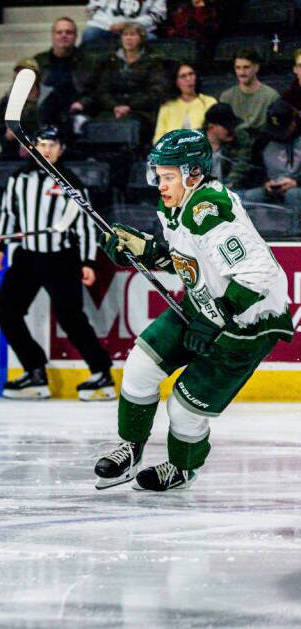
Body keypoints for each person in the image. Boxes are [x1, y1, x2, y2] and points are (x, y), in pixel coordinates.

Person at [94, 128, 292, 491]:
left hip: (247, 324)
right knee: (140, 366)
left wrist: (218, 316)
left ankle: (181, 468)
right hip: (203, 303)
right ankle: (131, 447)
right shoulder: (176, 206)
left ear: (193, 173)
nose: (160, 184)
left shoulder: (210, 210)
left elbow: (257, 271)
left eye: (168, 176)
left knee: (184, 408)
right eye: (158, 175)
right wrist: (147, 251)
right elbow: (191, 261)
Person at [0, 126, 113, 401]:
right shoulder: (18, 178)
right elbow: (8, 215)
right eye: (42, 144)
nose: (47, 150)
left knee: (71, 318)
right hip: (27, 257)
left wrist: (87, 262)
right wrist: (0, 247)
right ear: (32, 148)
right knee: (5, 311)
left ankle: (101, 373)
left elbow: (85, 225)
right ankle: (35, 371)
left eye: (52, 145)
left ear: (61, 149)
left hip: (61, 259)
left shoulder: (72, 183)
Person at [70, 22, 167, 147]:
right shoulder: (109, 60)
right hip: (111, 109)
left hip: (142, 110)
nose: (128, 38)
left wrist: (129, 106)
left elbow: (155, 91)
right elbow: (101, 89)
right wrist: (115, 106)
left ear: (141, 38)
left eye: (133, 35)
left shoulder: (153, 62)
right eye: (125, 35)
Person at [32, 17, 93, 136]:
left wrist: (83, 103)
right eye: (59, 32)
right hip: (46, 113)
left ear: (75, 36)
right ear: (53, 36)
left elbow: (97, 90)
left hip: (76, 111)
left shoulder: (88, 61)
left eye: (69, 32)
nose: (64, 35)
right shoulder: (38, 61)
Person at [241, 100, 301, 210]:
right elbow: (254, 170)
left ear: (293, 123)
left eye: (283, 130)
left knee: (293, 195)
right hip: (271, 187)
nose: (280, 135)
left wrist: (296, 182)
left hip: (296, 187)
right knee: (250, 196)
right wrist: (266, 183)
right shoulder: (263, 140)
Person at [219, 48, 280, 137]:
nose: (242, 72)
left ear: (256, 68)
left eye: (246, 67)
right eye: (238, 68)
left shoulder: (271, 96)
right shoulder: (226, 97)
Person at [153, 63, 217, 145]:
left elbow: (214, 134)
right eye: (183, 76)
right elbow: (158, 138)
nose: (189, 79)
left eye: (191, 74)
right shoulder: (167, 105)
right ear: (176, 82)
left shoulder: (209, 102)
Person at [202, 103, 255, 192]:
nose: (232, 130)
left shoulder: (240, 140)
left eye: (233, 126)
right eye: (227, 127)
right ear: (211, 127)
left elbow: (241, 165)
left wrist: (228, 185)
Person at [81, 0, 166, 45]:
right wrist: (111, 25)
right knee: (90, 34)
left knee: (151, 39)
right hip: (107, 28)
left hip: (138, 30)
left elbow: (158, 15)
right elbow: (92, 10)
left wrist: (130, 25)